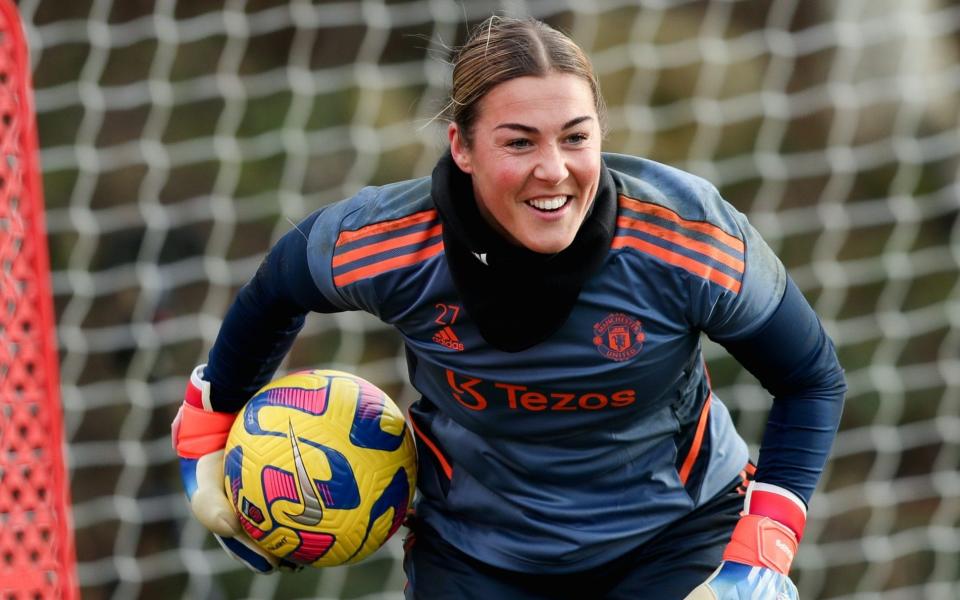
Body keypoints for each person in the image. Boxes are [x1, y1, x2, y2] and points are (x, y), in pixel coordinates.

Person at [172, 16, 846, 599]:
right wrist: (206, 426)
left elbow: (810, 377)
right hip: (475, 552)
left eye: (576, 138)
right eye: (520, 142)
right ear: (462, 147)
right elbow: (277, 289)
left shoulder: (689, 239)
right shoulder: (388, 243)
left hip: (674, 536)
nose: (553, 169)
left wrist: (764, 547)